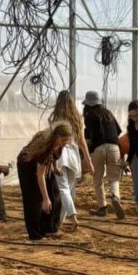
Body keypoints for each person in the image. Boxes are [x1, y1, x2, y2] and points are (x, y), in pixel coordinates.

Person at [17, 122, 73, 241]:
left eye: (67, 140)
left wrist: (55, 167)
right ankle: (35, 234)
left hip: (43, 165)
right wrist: (45, 198)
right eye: (63, 140)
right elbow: (40, 175)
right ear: (56, 137)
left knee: (55, 194)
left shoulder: (58, 144)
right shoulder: (45, 148)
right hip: (27, 166)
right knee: (34, 199)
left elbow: (54, 155)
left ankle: (50, 228)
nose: (66, 143)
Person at [48, 90, 94, 230]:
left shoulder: (55, 118)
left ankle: (71, 216)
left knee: (63, 188)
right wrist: (88, 161)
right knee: (71, 189)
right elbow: (82, 141)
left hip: (60, 154)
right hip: (73, 155)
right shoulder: (77, 118)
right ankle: (61, 221)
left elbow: (52, 140)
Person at [82, 91, 125, 219]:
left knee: (98, 179)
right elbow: (117, 132)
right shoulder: (108, 114)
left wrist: (85, 152)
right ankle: (115, 196)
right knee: (114, 178)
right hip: (114, 147)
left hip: (98, 148)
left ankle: (102, 207)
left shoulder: (90, 116)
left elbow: (89, 137)